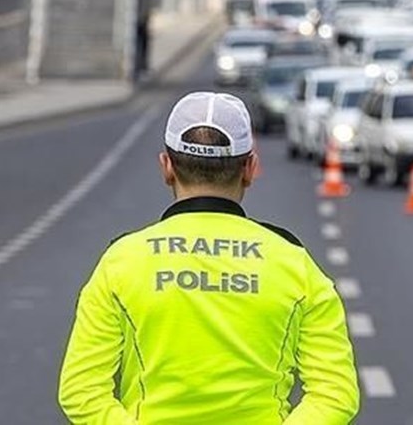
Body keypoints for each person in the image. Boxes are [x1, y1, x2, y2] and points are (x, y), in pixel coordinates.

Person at [58, 92, 360, 424]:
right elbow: (336, 393)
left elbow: (80, 390)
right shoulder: (295, 263)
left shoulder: (122, 261)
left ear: (167, 167)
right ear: (250, 168)